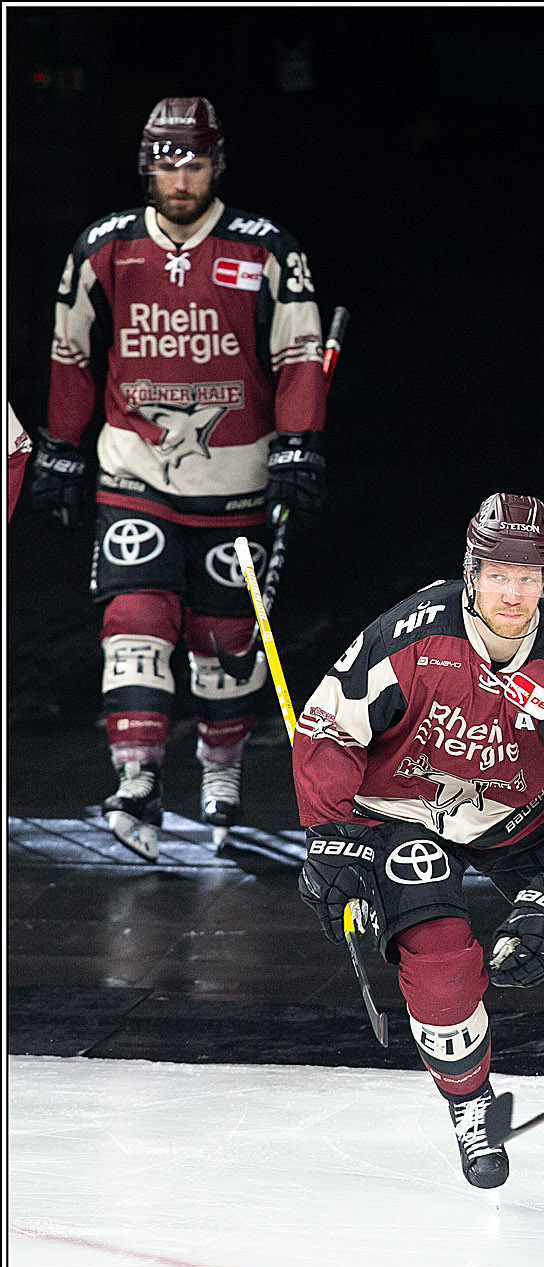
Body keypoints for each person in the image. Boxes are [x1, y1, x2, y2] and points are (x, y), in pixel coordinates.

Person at [292, 492, 544, 1189]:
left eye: (528, 576)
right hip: (406, 809)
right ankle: (469, 1102)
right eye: (496, 574)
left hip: (521, 814)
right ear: (471, 572)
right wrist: (331, 832)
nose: (512, 593)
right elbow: (331, 725)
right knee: (442, 964)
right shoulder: (414, 632)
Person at [31, 96, 327, 859]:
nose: (182, 176)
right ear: (145, 166)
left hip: (236, 484)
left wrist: (298, 443)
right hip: (134, 476)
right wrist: (61, 448)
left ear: (217, 164)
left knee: (226, 644)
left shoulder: (265, 248)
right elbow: (71, 356)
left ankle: (220, 772)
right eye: (168, 161)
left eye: (195, 161)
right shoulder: (104, 247)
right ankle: (136, 781)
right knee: (134, 623)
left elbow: (299, 354)